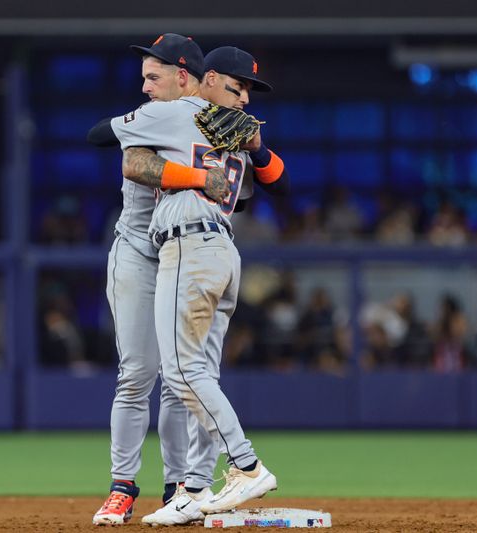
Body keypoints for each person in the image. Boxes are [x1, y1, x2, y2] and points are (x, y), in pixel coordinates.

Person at [109, 45, 290, 522]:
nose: (245, 99)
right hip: (221, 251)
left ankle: (246, 465)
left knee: (182, 373)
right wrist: (243, 153)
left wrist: (254, 149)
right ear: (206, 79)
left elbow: (100, 137)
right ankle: (193, 488)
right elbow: (268, 190)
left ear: (186, 77)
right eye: (238, 86)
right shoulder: (221, 128)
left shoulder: (183, 114)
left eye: (248, 89)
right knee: (198, 373)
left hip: (190, 247)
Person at [87, 34, 228, 526]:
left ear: (183, 76)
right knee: (136, 375)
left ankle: (176, 490)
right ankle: (122, 487)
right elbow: (110, 145)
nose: (145, 86)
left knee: (176, 382)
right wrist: (195, 177)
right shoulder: (147, 119)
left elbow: (250, 187)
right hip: (139, 252)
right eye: (144, 77)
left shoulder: (211, 123)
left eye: (154, 77)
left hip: (183, 252)